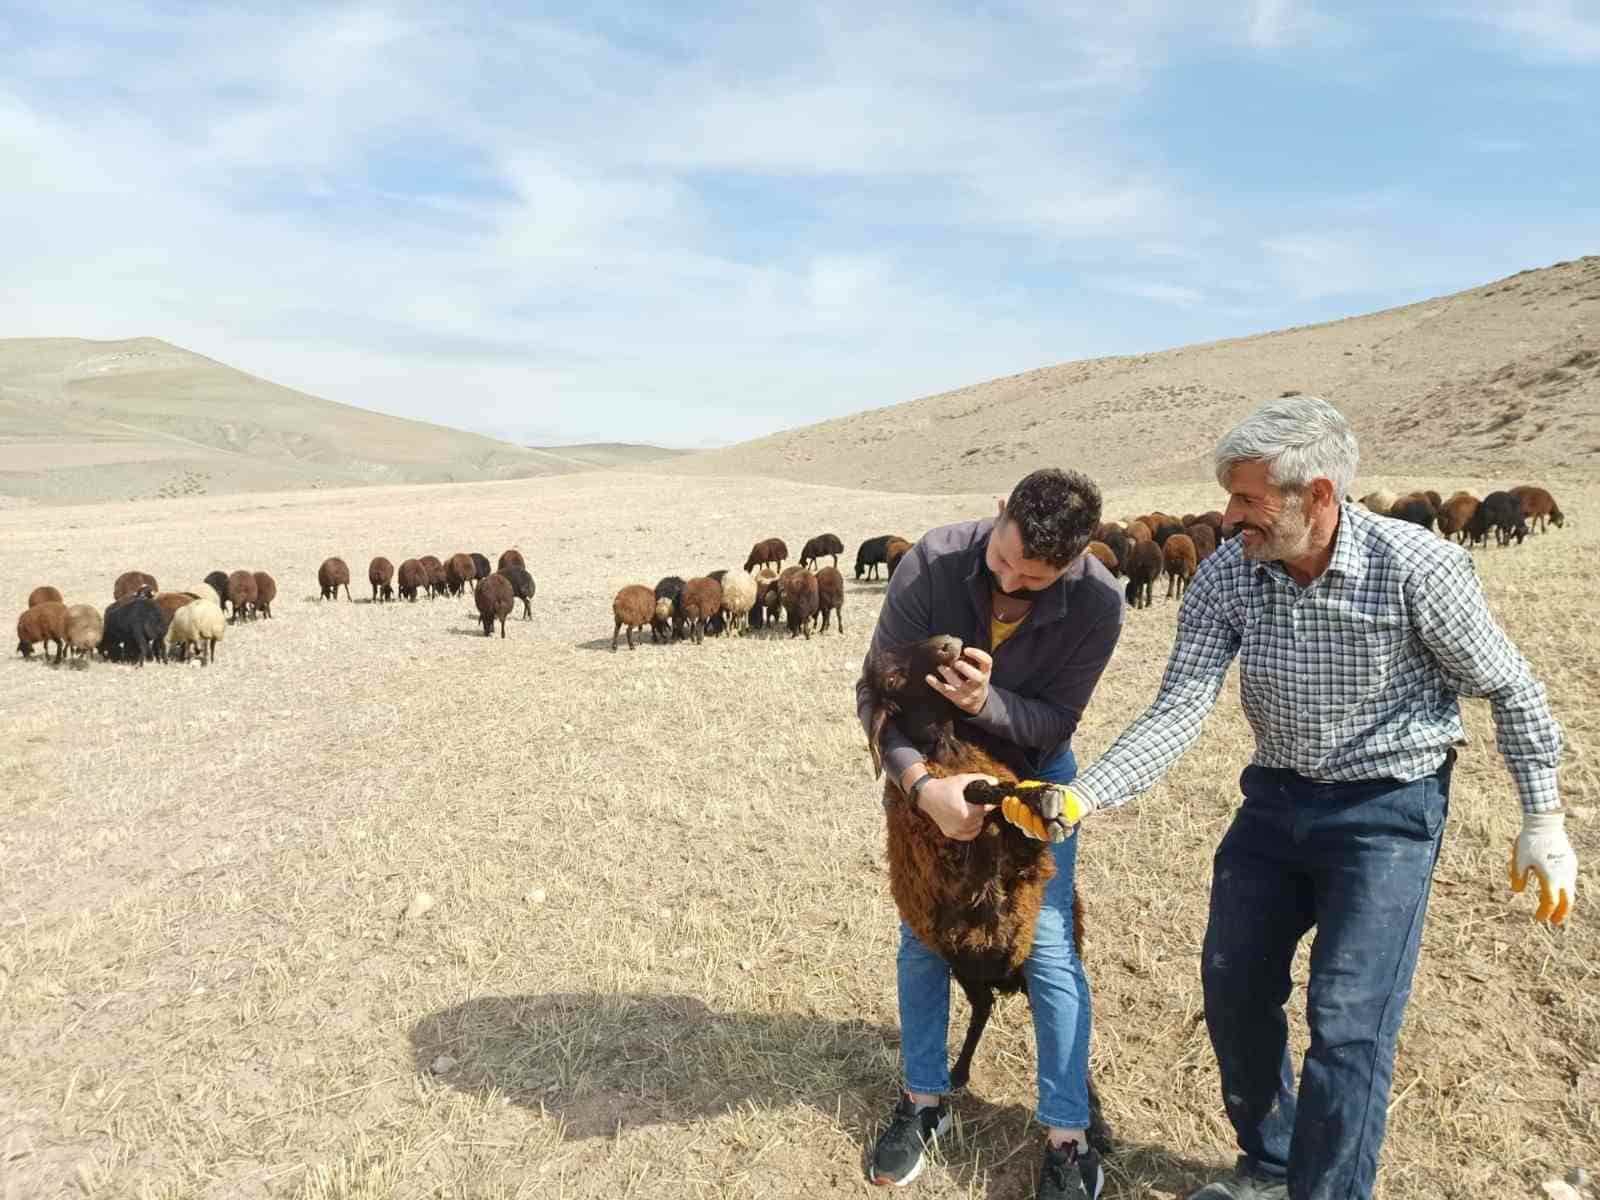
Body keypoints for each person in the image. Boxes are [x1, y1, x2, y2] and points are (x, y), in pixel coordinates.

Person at [1050, 396, 1575, 1200]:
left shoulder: (1417, 567)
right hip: (1275, 799)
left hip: (1387, 812)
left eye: (1247, 499)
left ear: (1319, 495)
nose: (1230, 518)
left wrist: (1543, 818)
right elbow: (1180, 705)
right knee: (1233, 987)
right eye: (1229, 498)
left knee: (1349, 1021)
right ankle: (1268, 1165)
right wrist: (1084, 795)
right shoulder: (1230, 571)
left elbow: (1510, 686)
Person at [855, 467, 1123, 1199]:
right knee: (923, 932)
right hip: (931, 768)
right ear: (1000, 511)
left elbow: (1056, 722)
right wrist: (923, 789)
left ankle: (1068, 1137)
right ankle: (923, 1100)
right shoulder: (932, 562)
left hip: (1031, 779)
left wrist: (986, 703)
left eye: (1036, 578)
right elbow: (875, 691)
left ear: (1076, 558)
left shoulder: (1099, 602)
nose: (1011, 582)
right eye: (1004, 559)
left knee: (1049, 943)